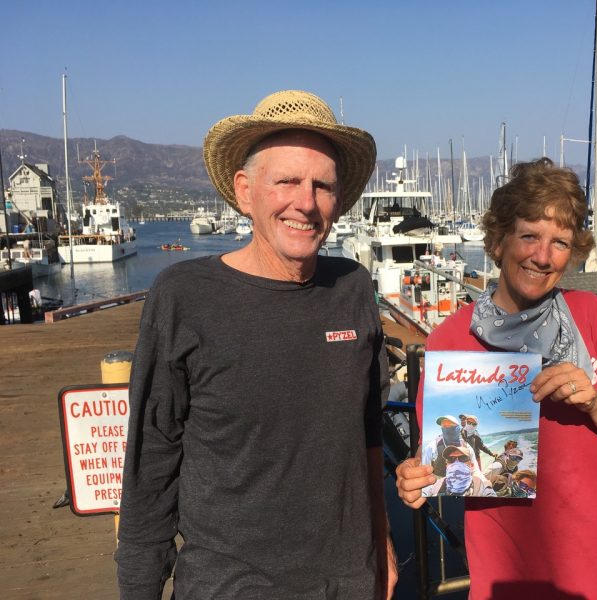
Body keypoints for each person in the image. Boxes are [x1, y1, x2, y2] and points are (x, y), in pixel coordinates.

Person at [116, 90, 396, 599]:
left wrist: (383, 541)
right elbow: (150, 460)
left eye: (322, 185)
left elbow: (368, 433)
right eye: (286, 181)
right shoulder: (183, 296)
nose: (305, 203)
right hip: (229, 586)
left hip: (349, 582)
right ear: (245, 191)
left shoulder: (353, 286)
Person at [396, 158, 597, 599]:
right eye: (529, 236)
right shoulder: (451, 339)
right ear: (499, 241)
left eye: (560, 242)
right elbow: (442, 456)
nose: (543, 255)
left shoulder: (590, 315)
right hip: (514, 580)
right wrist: (414, 476)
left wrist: (596, 402)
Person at [426, 446, 496, 497]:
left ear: (471, 466)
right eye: (451, 459)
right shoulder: (436, 486)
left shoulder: (481, 487)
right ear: (447, 466)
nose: (456, 462)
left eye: (463, 458)